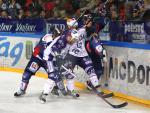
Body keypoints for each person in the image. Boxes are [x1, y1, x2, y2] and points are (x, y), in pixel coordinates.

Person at [14, 25, 79, 101]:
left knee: (55, 75)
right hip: (38, 58)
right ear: (53, 33)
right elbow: (52, 47)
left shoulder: (61, 41)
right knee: (27, 74)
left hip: (49, 59)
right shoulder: (48, 37)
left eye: (59, 35)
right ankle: (22, 90)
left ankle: (58, 89)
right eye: (57, 35)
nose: (58, 36)